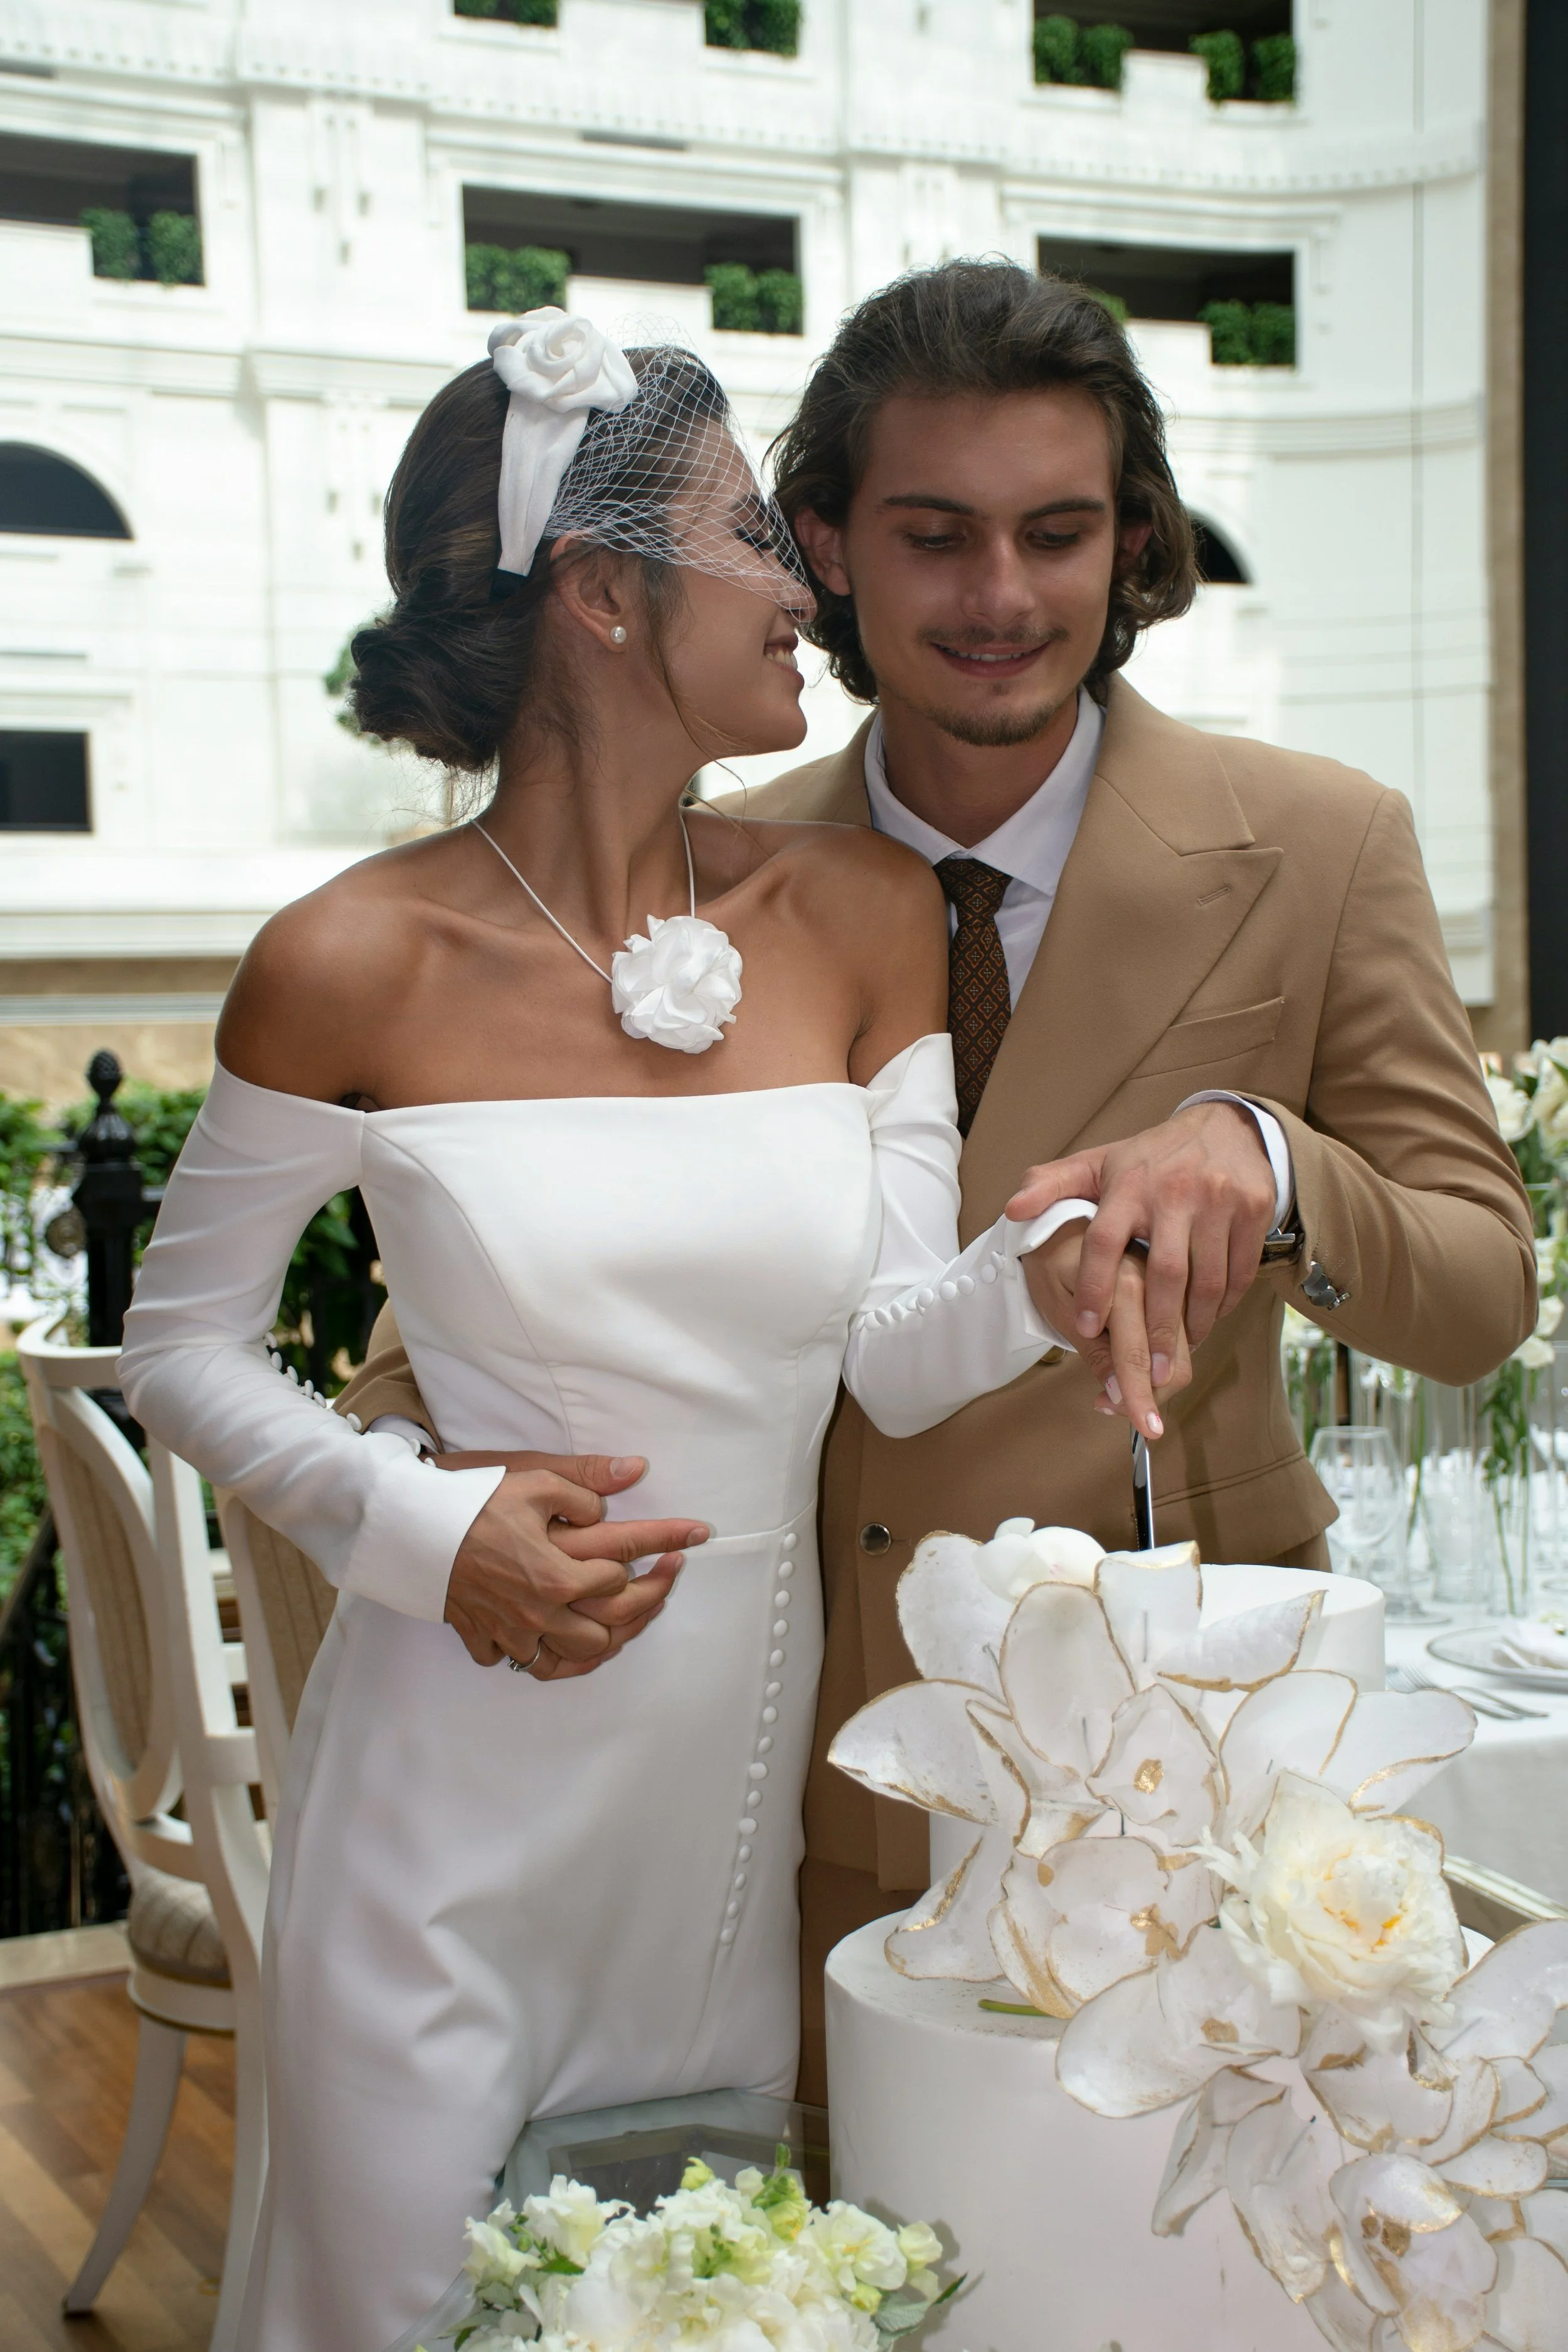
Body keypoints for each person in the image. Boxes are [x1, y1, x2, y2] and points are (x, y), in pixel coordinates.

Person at [344, 262, 1535, 2104]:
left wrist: (1272, 1158)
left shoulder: (1320, 844)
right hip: (796, 1773)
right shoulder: (685, 862)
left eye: (1058, 534)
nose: (1000, 599)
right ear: (818, 545)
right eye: (932, 535)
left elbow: (1473, 1293)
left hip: (1199, 1791)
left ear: (1129, 542)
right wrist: (444, 1485)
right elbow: (425, 1323)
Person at [117, 315, 1175, 2352]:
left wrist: (1046, 1280)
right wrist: (426, 1528)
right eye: (738, 536)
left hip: (714, 1851)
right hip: (446, 1821)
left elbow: (880, 1344)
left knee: (690, 2302)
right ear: (601, 594)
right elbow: (182, 1347)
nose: (801, 576)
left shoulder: (865, 916)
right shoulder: (349, 956)